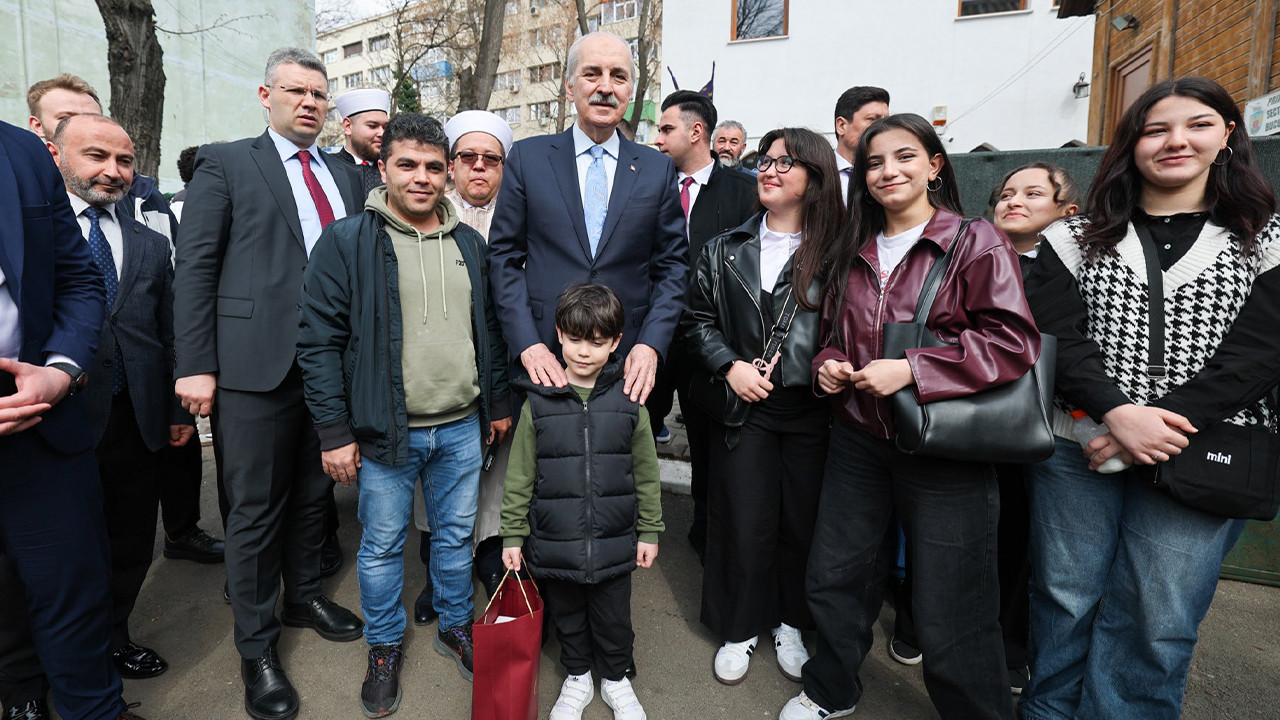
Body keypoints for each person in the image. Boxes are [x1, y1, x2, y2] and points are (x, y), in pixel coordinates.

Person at [1021, 77, 1280, 720]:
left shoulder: (1266, 236)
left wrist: (1164, 426)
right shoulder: (1074, 238)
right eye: (1155, 128)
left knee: (1158, 617)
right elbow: (1058, 334)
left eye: (1196, 124)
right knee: (1063, 597)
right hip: (1078, 445)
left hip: (1204, 449)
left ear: (1227, 135)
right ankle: (1048, 713)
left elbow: (1260, 350)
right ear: (1132, 143)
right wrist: (1116, 413)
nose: (1175, 141)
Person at [782, 113, 1039, 720]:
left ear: (934, 165)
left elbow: (1011, 343)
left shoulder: (974, 240)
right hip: (858, 438)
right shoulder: (853, 248)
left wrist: (913, 370)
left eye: (904, 157)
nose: (887, 171)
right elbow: (831, 336)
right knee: (836, 576)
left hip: (943, 445)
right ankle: (831, 690)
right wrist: (827, 365)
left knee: (955, 599)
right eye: (873, 163)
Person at [173, 47, 365, 720]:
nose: (309, 102)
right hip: (253, 368)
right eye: (296, 91)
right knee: (254, 512)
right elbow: (195, 267)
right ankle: (256, 647)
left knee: (315, 497)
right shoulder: (227, 162)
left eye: (319, 94)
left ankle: (303, 595)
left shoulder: (345, 173)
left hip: (330, 366)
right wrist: (194, 362)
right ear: (266, 95)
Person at [298, 112, 512, 715]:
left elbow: (488, 331)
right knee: (383, 545)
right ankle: (385, 644)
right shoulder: (347, 241)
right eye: (408, 165)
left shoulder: (469, 243)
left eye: (433, 168)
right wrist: (334, 432)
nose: (422, 178)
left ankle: (452, 623)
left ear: (448, 175)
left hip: (462, 427)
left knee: (453, 538)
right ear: (383, 167)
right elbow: (317, 342)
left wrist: (496, 403)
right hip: (384, 432)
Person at [0, 119, 149, 720]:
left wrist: (59, 370)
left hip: (41, 417)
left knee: (73, 589)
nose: (114, 169)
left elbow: (77, 277)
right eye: (97, 154)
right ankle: (21, 692)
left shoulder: (20, 153)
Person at [681, 127, 842, 686]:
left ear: (815, 178)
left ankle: (792, 623)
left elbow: (854, 326)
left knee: (801, 524)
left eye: (785, 163)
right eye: (765, 161)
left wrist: (829, 366)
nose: (768, 171)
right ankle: (740, 626)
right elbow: (694, 321)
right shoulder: (724, 247)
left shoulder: (842, 252)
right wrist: (730, 365)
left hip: (813, 410)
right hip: (742, 406)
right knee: (742, 521)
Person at [488, 30, 686, 410]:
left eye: (619, 76)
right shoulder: (528, 159)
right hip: (545, 358)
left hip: (628, 363)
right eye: (592, 73)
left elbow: (673, 266)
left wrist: (650, 344)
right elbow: (503, 259)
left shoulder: (656, 169)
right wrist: (527, 344)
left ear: (630, 91)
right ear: (569, 86)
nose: (606, 88)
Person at [500, 283, 663, 720]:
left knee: (614, 617)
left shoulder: (631, 401)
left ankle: (615, 678)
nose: (584, 352)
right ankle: (577, 676)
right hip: (555, 540)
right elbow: (520, 475)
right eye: (574, 339)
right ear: (557, 334)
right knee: (568, 615)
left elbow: (647, 473)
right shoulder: (539, 403)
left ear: (616, 343)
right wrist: (512, 534)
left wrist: (650, 530)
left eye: (596, 342)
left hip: (614, 541)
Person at [404, 109, 515, 627]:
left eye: (489, 159)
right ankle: (436, 572)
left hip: (502, 375)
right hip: (438, 380)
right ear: (450, 165)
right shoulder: (427, 216)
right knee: (437, 483)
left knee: (497, 477)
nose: (477, 168)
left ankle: (490, 560)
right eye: (466, 157)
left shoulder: (521, 218)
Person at [652, 90, 757, 562]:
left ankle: (706, 529)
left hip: (710, 343)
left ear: (696, 132)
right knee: (632, 431)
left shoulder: (744, 192)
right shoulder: (647, 184)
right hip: (650, 341)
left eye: (666, 128)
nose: (657, 138)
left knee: (707, 441)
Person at [987, 162, 1080, 694]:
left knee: (1030, 540)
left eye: (1032, 193)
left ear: (1068, 211)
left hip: (1047, 424)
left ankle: (1013, 647)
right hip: (976, 419)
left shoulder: (1072, 270)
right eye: (1005, 194)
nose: (1013, 201)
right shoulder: (973, 259)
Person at [832, 86, 889, 201]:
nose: (883, 128)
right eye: (873, 119)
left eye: (886, 120)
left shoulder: (890, 172)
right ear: (841, 126)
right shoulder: (816, 173)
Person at [331, 88, 389, 197]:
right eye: (372, 126)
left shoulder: (391, 169)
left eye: (385, 127)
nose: (382, 133)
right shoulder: (327, 168)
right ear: (348, 126)